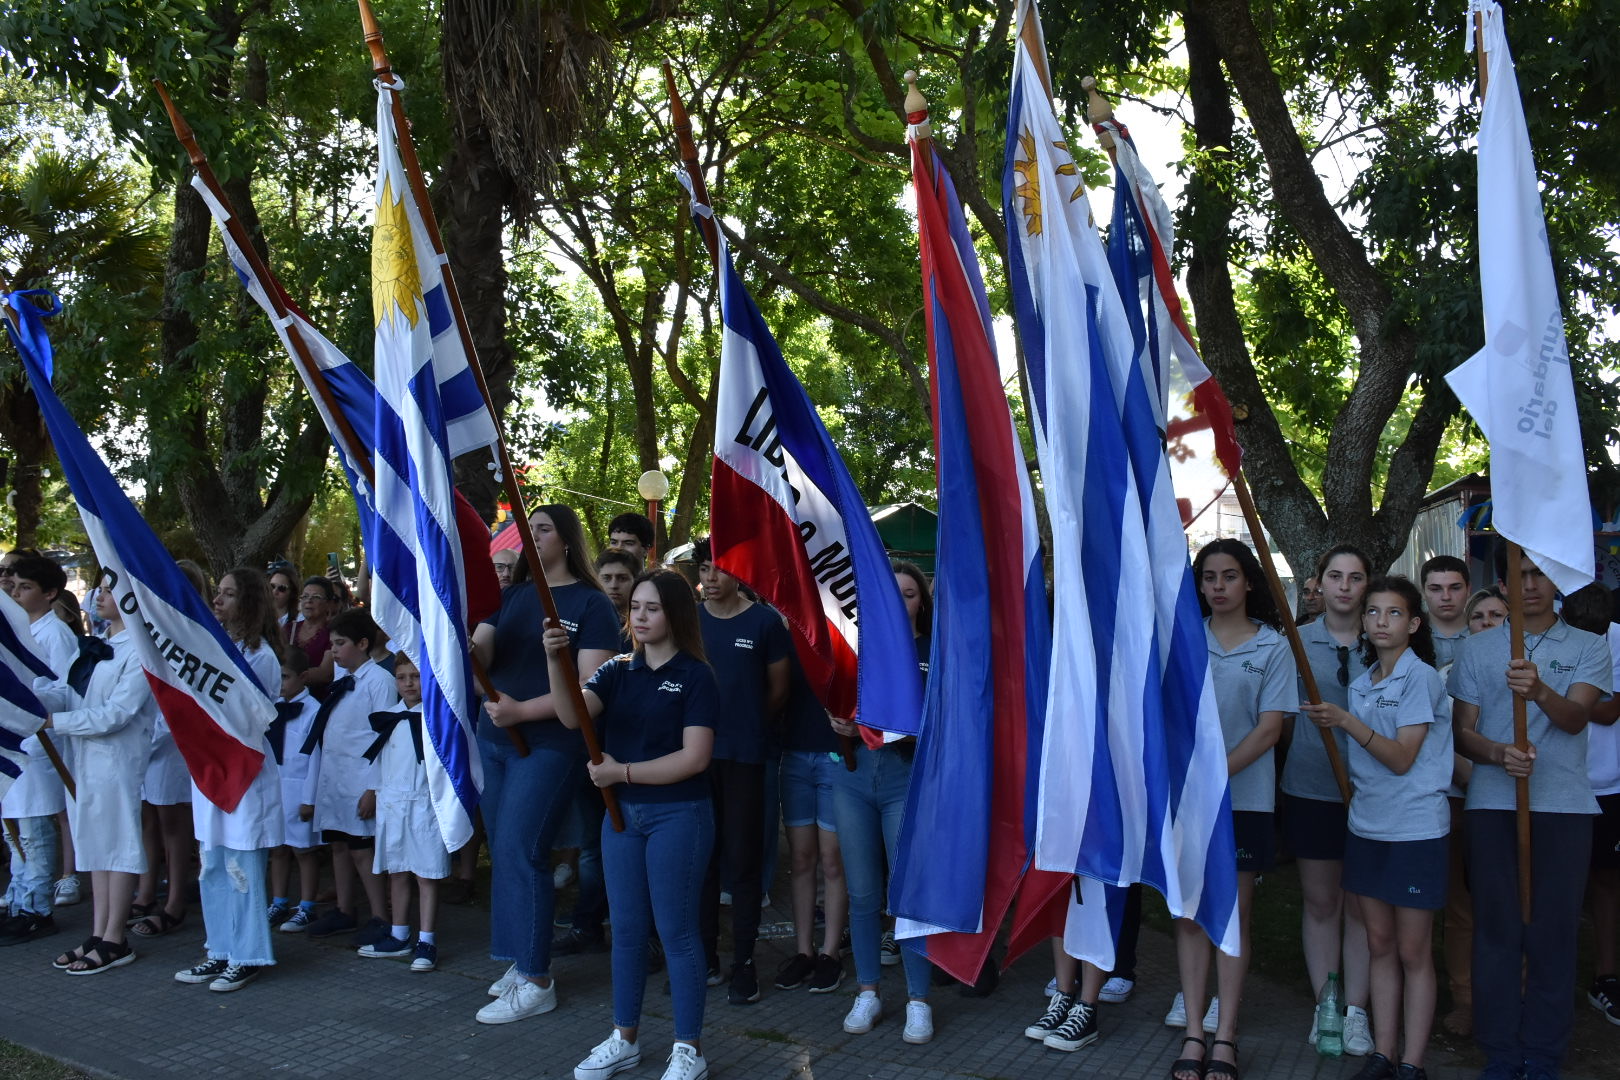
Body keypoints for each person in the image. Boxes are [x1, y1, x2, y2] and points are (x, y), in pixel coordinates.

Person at [548, 569, 718, 1080]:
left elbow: (695, 759)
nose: (640, 616)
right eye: (635, 607)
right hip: (622, 818)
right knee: (625, 930)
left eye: (652, 607)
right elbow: (570, 716)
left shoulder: (696, 676)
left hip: (679, 815)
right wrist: (556, 658)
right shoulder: (617, 670)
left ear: (675, 614)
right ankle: (625, 1039)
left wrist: (621, 772)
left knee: (677, 932)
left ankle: (689, 1049)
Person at [1449, 554, 1609, 1080]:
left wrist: (1539, 690)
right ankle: (1499, 1049)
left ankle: (1542, 1053)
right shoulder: (1476, 648)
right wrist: (1496, 754)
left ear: (1555, 581)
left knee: (1553, 932)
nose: (1531, 584)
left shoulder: (1589, 646)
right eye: (1521, 575)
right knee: (1497, 931)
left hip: (1563, 807)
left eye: (1540, 574)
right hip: (1495, 805)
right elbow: (1462, 731)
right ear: (1503, 582)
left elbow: (1576, 718)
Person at [474, 503, 619, 1025]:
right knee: (505, 849)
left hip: (551, 744)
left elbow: (589, 690)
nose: (531, 537)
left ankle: (538, 979)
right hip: (495, 740)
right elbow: (481, 656)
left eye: (542, 529)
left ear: (567, 540)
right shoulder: (508, 595)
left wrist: (520, 709)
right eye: (527, 529)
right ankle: (519, 959)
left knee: (523, 847)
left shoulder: (591, 604)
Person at [1304, 576, 1452, 1080]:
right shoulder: (1363, 680)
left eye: (1393, 614)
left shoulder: (1421, 678)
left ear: (1413, 624)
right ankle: (1383, 1054)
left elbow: (1402, 758)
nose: (1380, 622)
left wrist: (1346, 723)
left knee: (1413, 950)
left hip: (1414, 831)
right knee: (1379, 944)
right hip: (1367, 827)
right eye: (1373, 612)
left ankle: (1413, 1061)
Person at [1172, 538, 1295, 1080]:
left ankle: (1227, 1034)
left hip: (1244, 801)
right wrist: (1190, 781)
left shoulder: (1273, 648)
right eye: (1209, 578)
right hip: (1186, 803)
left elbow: (1271, 730)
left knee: (1232, 918)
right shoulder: (1184, 641)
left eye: (1228, 576)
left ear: (1248, 582)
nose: (1218, 587)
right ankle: (1195, 1033)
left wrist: (1213, 774)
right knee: (1192, 916)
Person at [835, 560, 936, 1046]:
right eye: (891, 593)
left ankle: (919, 999)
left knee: (907, 893)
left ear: (923, 602)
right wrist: (839, 724)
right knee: (861, 893)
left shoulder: (932, 650)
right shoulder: (857, 647)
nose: (900, 601)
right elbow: (832, 700)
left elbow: (944, 721)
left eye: (910, 593)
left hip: (905, 780)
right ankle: (868, 990)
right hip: (852, 778)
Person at [173, 566, 285, 991]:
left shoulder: (260, 656)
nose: (217, 600)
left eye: (229, 594)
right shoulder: (211, 649)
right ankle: (218, 948)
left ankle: (249, 953)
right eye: (217, 592)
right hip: (210, 771)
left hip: (243, 769)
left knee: (242, 865)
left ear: (250, 602)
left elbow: (253, 717)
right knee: (213, 865)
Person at [38, 578, 158, 974]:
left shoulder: (142, 650)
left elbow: (117, 714)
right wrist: (33, 701)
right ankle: (98, 931)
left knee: (118, 842)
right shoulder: (93, 643)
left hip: (116, 759)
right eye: (99, 588)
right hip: (83, 758)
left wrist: (57, 720)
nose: (99, 596)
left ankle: (115, 938)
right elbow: (68, 693)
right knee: (94, 843)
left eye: (109, 589)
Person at [1281, 545, 1374, 1055]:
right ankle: (1327, 1005)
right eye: (1334, 576)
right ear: (1317, 584)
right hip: (1312, 788)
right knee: (1321, 902)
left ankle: (1357, 1010)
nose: (1343, 586)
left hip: (1372, 792)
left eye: (1355, 577)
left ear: (1367, 584)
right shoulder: (1292, 643)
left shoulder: (1384, 639)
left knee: (1361, 906)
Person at [693, 538, 790, 1005]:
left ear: (741, 572)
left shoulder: (766, 622)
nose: (711, 578)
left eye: (719, 570)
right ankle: (705, 957)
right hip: (695, 760)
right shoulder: (688, 620)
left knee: (744, 863)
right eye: (705, 569)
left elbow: (776, 693)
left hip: (748, 758)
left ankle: (744, 963)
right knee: (702, 861)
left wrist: (745, 726)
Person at [298, 607, 397, 943]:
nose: (334, 650)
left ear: (364, 643)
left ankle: (380, 916)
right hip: (335, 779)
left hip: (360, 781)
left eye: (340, 643)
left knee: (360, 849)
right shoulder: (341, 679)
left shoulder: (380, 682)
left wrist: (372, 788)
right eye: (332, 643)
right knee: (338, 845)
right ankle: (344, 910)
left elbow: (384, 738)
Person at [0, 555, 80, 946]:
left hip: (40, 744)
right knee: (14, 831)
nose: (15, 593)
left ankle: (37, 908)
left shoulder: (55, 635)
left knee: (34, 831)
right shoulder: (16, 630)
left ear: (49, 594)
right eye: (13, 586)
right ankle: (17, 901)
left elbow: (66, 692)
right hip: (16, 742)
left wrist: (25, 697)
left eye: (25, 587)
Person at [358, 652, 449, 972]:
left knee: (426, 872)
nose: (408, 683)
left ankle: (427, 939)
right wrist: (372, 791)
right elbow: (378, 761)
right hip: (393, 804)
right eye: (402, 677)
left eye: (415, 676)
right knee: (397, 870)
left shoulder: (438, 718)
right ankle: (399, 934)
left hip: (424, 804)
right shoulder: (389, 716)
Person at [1557, 586, 1620, 1027]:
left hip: (1607, 782)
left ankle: (1605, 978)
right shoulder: (1549, 633)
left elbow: (1612, 710)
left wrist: (1561, 698)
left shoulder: (1618, 637)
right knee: (1556, 885)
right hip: (1557, 782)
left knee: (1606, 883)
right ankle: (1550, 979)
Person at [772, 652, 848, 996]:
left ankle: (831, 953)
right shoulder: (788, 628)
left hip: (835, 754)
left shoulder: (845, 625)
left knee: (833, 860)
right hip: (794, 756)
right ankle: (804, 951)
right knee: (802, 858)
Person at [268, 650, 322, 933]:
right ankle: (279, 902)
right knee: (278, 848)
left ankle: (307, 906)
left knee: (304, 850)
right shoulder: (273, 706)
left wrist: (309, 799)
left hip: (299, 788)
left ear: (303, 677)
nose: (280, 683)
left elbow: (315, 756)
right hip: (276, 786)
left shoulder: (313, 710)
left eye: (286, 677)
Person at [286, 577, 337, 697]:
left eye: (316, 597)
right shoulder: (288, 629)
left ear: (328, 603)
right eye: (305, 596)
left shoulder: (334, 632)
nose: (308, 601)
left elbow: (325, 673)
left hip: (318, 701)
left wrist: (285, 676)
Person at [1420, 556, 1471, 669]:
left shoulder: (1482, 631)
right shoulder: (1408, 635)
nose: (1446, 597)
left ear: (1468, 590)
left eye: (1455, 588)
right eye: (1435, 589)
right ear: (1423, 592)